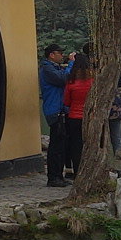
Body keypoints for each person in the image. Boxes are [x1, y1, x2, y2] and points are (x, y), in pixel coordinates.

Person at [38, 44, 75, 186]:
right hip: (54, 110)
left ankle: (59, 175)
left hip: (60, 110)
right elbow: (63, 79)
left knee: (62, 145)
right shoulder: (47, 69)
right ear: (51, 55)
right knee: (56, 146)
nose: (61, 55)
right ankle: (53, 177)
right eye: (59, 53)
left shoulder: (55, 68)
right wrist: (71, 64)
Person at [60, 44, 96, 183]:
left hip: (74, 118)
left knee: (76, 146)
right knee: (90, 144)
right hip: (90, 118)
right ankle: (90, 172)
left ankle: (77, 173)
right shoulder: (93, 82)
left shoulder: (71, 82)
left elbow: (66, 102)